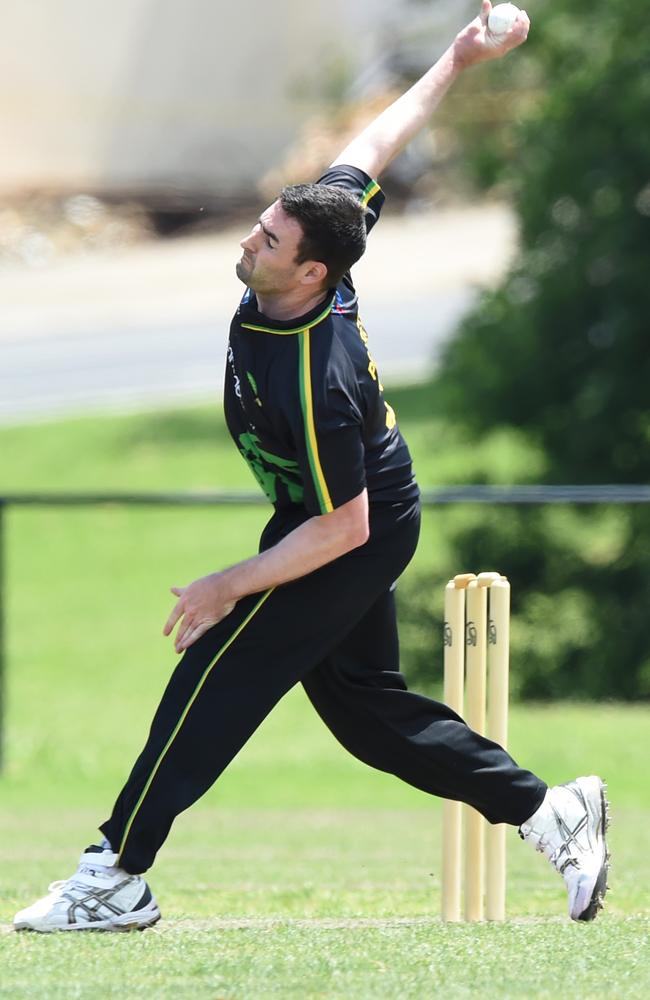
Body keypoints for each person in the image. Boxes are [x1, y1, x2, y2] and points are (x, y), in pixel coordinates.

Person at [14, 2, 609, 933]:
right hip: (322, 515)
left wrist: (226, 583)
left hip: (349, 523)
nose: (250, 241)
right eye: (260, 225)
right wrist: (457, 59)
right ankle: (549, 811)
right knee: (369, 715)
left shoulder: (318, 377)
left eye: (268, 243)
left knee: (218, 673)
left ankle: (116, 870)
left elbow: (347, 527)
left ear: (312, 276)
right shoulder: (326, 227)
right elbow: (373, 144)